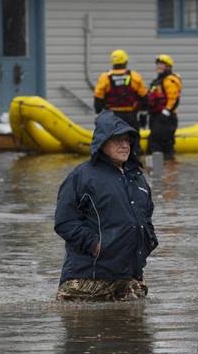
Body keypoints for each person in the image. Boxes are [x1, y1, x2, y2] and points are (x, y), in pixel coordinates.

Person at [54, 110, 158, 302]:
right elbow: (64, 222)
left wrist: (149, 241)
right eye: (117, 140)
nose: (124, 145)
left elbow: (147, 219)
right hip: (86, 278)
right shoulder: (82, 176)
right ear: (102, 143)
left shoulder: (138, 178)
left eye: (128, 140)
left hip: (129, 279)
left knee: (136, 328)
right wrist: (95, 245)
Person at [93, 49, 149, 134]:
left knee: (113, 143)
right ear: (126, 61)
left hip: (112, 117)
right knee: (132, 144)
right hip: (130, 117)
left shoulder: (105, 77)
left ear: (113, 62)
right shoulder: (135, 76)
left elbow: (98, 98)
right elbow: (144, 98)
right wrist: (143, 118)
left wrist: (99, 115)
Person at [148, 54, 182, 160]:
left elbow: (174, 99)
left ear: (168, 66)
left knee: (165, 145)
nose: (159, 66)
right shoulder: (156, 82)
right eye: (158, 64)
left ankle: (169, 173)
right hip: (156, 117)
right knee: (154, 145)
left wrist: (165, 113)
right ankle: (157, 173)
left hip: (166, 119)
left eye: (161, 64)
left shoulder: (169, 80)